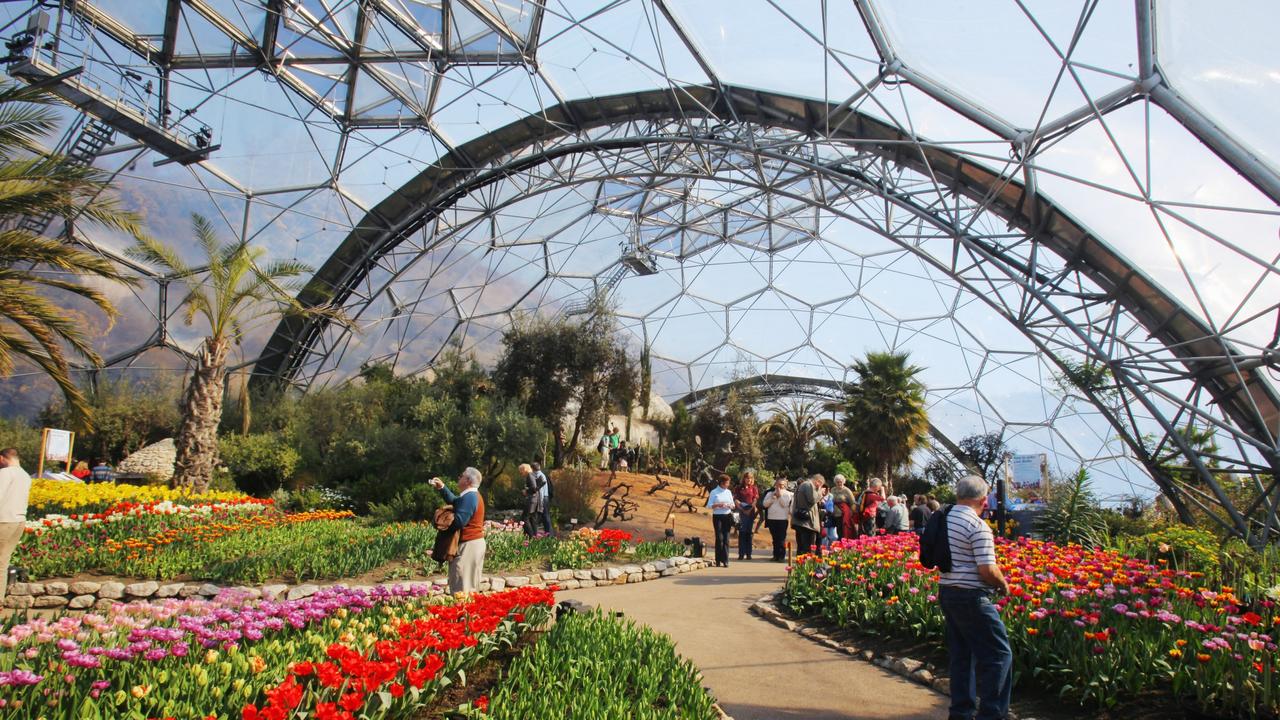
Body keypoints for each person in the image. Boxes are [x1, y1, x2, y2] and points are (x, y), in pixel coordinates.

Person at [940, 475, 1012, 720]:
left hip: (947, 591)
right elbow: (986, 570)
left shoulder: (943, 518)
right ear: (983, 500)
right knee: (999, 655)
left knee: (962, 654)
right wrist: (1003, 584)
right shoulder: (977, 525)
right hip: (971, 596)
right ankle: (992, 714)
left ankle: (961, 712)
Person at [429, 468, 486, 594]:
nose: (459, 477)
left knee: (463, 588)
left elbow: (460, 521)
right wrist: (442, 487)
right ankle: (465, 612)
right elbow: (455, 501)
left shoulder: (470, 497)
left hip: (469, 545)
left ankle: (464, 613)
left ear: (467, 480)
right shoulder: (469, 496)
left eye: (461, 475)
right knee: (465, 586)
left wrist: (443, 520)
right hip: (471, 544)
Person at [0, 448, 32, 598]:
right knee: (2, 562)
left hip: (4, 520)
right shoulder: (25, 475)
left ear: (2, 458)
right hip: (18, 520)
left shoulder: (5, 473)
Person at [705, 473, 735, 567]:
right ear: (722, 483)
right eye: (726, 483)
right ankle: (718, 559)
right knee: (719, 538)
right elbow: (709, 505)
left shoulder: (729, 492)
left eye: (728, 483)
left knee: (726, 539)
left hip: (727, 516)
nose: (728, 485)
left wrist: (730, 505)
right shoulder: (714, 492)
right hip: (717, 516)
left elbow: (733, 505)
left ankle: (725, 560)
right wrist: (718, 505)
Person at [792, 473, 824, 556]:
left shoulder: (803, 485)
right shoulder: (808, 485)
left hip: (800, 519)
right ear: (818, 481)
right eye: (820, 484)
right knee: (806, 545)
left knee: (801, 544)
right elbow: (812, 500)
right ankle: (805, 564)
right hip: (807, 521)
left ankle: (801, 562)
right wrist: (819, 492)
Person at [762, 477, 792, 561]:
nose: (780, 486)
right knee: (775, 538)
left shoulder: (788, 494)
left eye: (782, 485)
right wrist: (772, 498)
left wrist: (779, 496)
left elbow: (784, 504)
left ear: (785, 485)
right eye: (778, 484)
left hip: (782, 519)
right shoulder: (769, 493)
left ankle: (781, 556)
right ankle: (775, 555)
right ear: (775, 485)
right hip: (772, 518)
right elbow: (765, 505)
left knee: (781, 538)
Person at [734, 470, 759, 560]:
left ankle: (749, 554)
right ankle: (741, 554)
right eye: (747, 478)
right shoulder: (738, 488)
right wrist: (742, 509)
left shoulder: (754, 488)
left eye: (750, 478)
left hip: (751, 513)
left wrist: (750, 509)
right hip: (741, 513)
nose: (749, 480)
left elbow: (755, 500)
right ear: (744, 478)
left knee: (749, 533)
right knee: (742, 533)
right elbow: (736, 500)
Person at [829, 474, 856, 539]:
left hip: (844, 512)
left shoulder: (847, 490)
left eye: (840, 481)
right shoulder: (832, 489)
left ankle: (844, 542)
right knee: (838, 529)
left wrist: (852, 513)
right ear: (835, 482)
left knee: (843, 529)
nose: (839, 483)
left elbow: (853, 503)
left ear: (843, 482)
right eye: (837, 482)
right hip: (834, 513)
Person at [519, 463, 542, 537]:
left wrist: (526, 491)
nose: (520, 473)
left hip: (531, 500)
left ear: (524, 469)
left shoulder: (529, 475)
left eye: (520, 471)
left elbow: (534, 488)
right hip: (535, 500)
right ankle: (533, 537)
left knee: (524, 518)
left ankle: (530, 536)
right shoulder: (533, 475)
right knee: (532, 519)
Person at [532, 462, 552, 535]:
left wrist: (540, 503)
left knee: (545, 517)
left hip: (542, 498)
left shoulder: (539, 476)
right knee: (545, 517)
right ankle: (549, 535)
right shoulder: (542, 475)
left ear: (533, 469)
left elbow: (541, 491)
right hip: (545, 497)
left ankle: (549, 535)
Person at [820, 486, 838, 550]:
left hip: (832, 519)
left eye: (826, 489)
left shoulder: (832, 497)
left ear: (828, 489)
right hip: (823, 520)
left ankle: (831, 551)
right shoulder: (819, 497)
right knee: (824, 537)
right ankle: (824, 553)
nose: (824, 491)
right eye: (823, 489)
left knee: (834, 537)